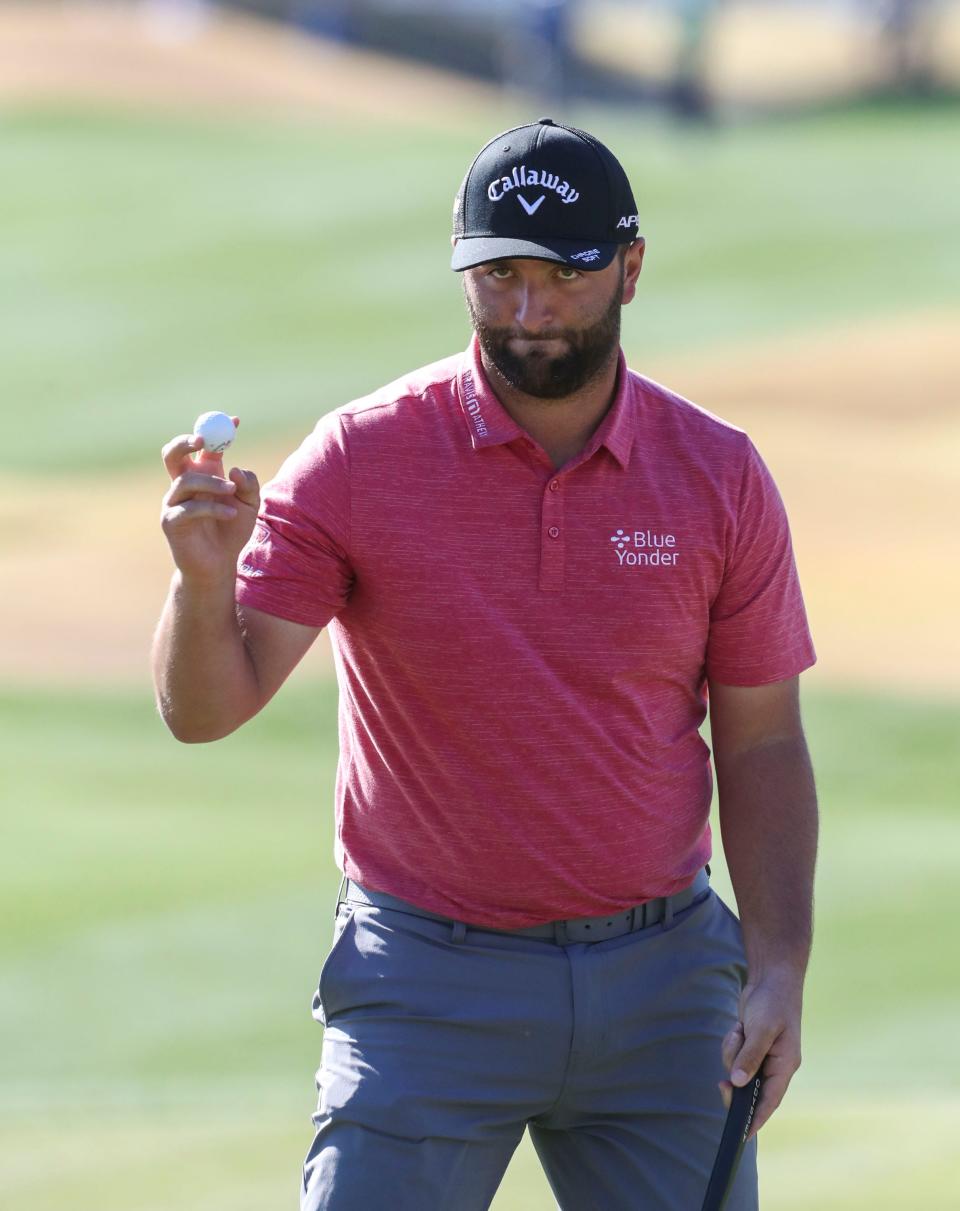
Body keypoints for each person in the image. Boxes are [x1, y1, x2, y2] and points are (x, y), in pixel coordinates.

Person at [153, 118, 818, 1211]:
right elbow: (205, 710)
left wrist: (780, 959)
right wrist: (200, 583)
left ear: (630, 267)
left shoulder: (719, 476)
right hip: (425, 980)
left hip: (664, 987)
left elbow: (764, 737)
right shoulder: (360, 457)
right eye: (499, 273)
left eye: (563, 272)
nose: (528, 308)